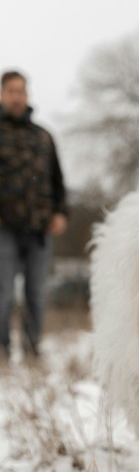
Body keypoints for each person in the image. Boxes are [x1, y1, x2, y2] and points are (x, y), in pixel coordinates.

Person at [0, 70, 67, 360]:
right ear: (2, 95)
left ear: (27, 95)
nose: (17, 96)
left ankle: (31, 350)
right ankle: (1, 351)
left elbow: (58, 181)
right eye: (11, 91)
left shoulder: (43, 137)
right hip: (4, 229)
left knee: (36, 295)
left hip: (39, 230)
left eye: (21, 91)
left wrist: (60, 212)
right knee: (2, 293)